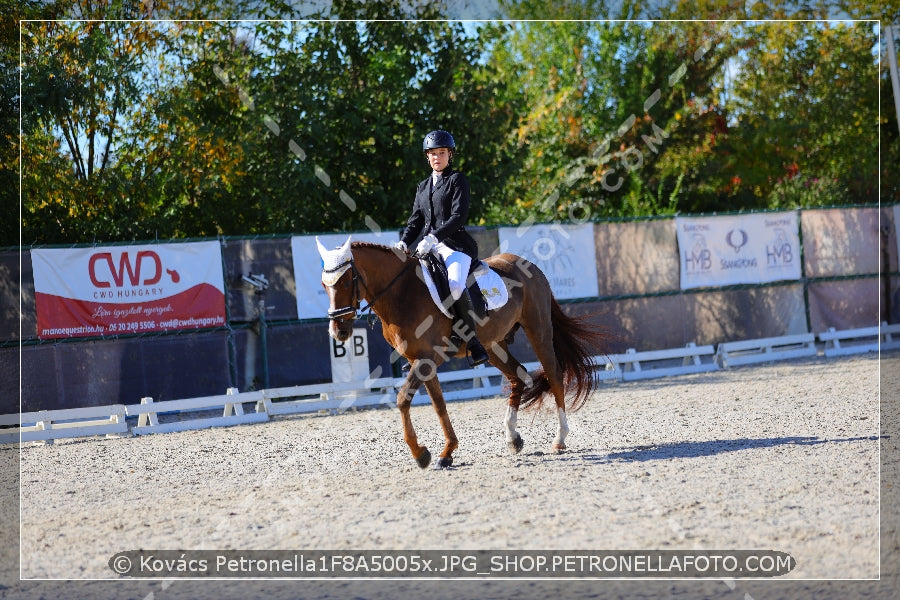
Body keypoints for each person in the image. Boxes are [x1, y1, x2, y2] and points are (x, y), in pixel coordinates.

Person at [393, 130, 489, 366]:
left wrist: (434, 237)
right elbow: (416, 219)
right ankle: (419, 344)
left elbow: (458, 216)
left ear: (450, 155)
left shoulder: (457, 180)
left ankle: (473, 341)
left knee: (455, 285)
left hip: (455, 246)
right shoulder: (423, 186)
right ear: (427, 157)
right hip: (427, 248)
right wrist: (405, 241)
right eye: (433, 154)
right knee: (415, 286)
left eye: (442, 153)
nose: (437, 157)